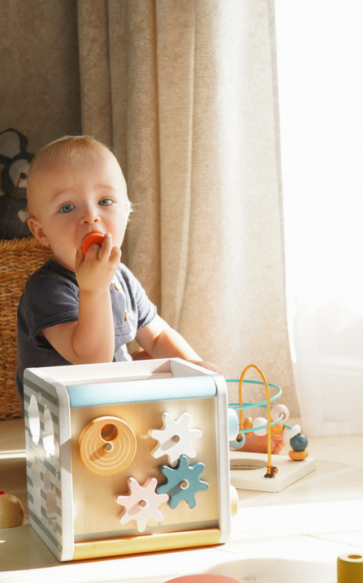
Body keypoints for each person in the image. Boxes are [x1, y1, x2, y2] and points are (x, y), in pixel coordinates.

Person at [15, 135, 216, 394]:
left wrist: (194, 369)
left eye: (105, 201)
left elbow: (156, 336)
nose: (90, 216)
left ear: (127, 211)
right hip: (68, 417)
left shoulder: (121, 277)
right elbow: (92, 362)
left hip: (114, 401)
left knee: (157, 364)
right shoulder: (46, 290)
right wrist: (93, 289)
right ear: (41, 232)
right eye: (67, 207)